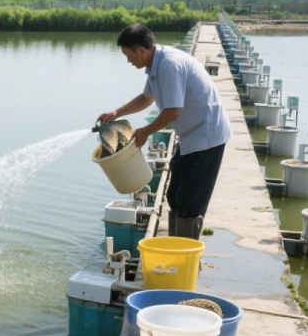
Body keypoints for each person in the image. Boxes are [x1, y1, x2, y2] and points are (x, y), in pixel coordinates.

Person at [97, 23, 232, 240]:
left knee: (190, 202)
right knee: (174, 195)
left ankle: (184, 253)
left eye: (128, 55)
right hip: (190, 137)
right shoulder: (155, 65)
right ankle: (175, 245)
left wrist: (145, 131)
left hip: (206, 136)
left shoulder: (169, 65)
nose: (128, 61)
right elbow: (146, 98)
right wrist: (117, 112)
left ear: (141, 50)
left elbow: (172, 111)